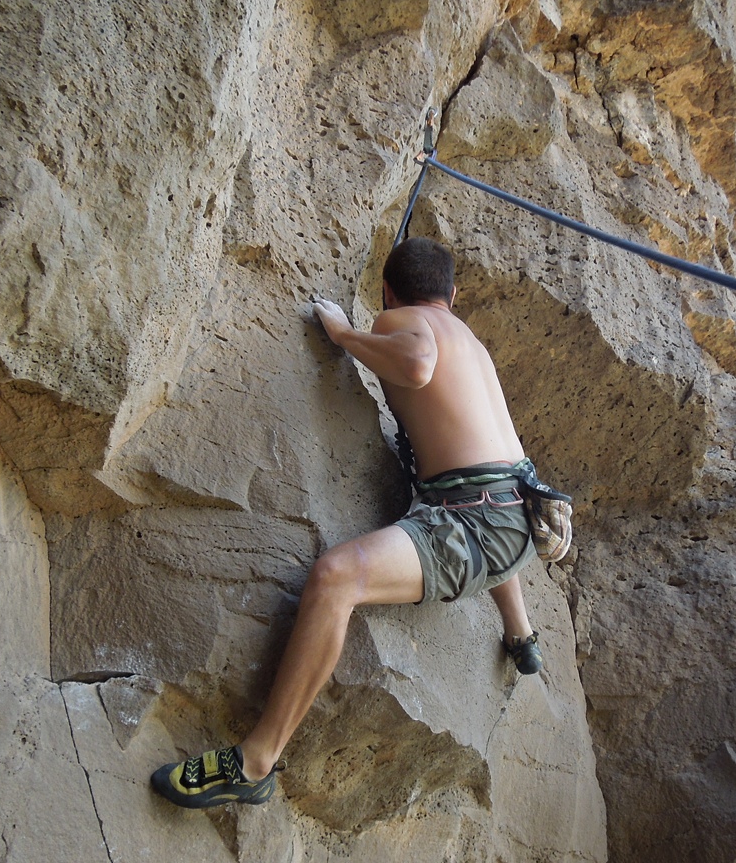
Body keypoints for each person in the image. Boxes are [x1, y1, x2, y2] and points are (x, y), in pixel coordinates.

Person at [151, 237, 544, 809]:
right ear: (453, 296)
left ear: (388, 291)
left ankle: (255, 762)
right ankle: (521, 634)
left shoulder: (400, 318)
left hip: (479, 525)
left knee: (336, 578)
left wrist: (344, 335)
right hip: (521, 517)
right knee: (464, 492)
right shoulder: (474, 344)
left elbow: (414, 362)